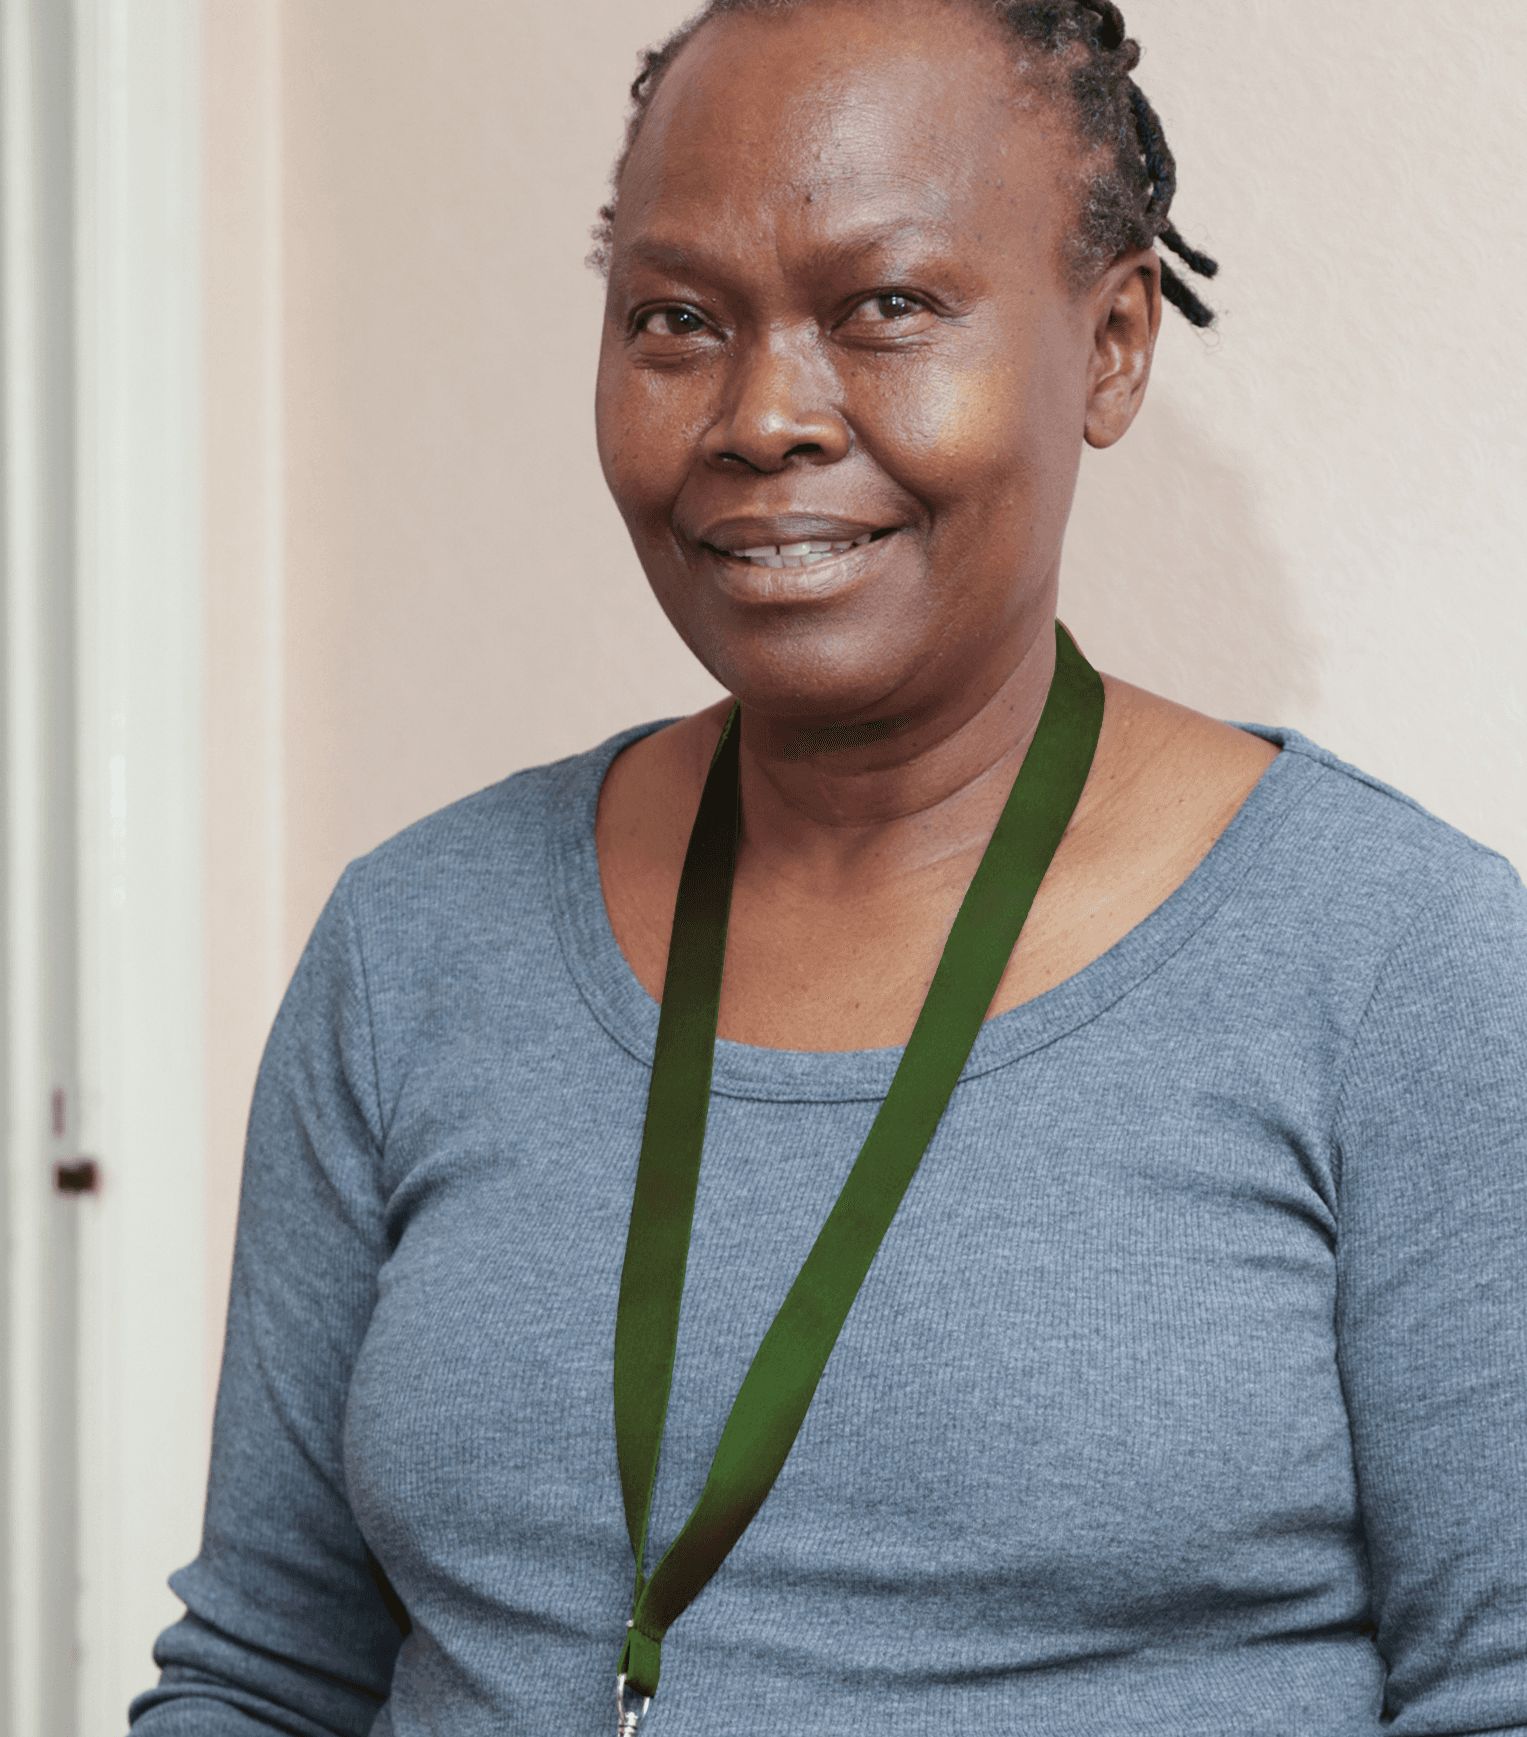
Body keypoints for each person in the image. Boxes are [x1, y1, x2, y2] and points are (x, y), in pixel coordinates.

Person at [129, 0, 1527, 1732]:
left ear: (1108, 344)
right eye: (675, 320)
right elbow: (266, 1676)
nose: (760, 414)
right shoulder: (412, 946)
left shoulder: (1410, 969)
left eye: (885, 307)